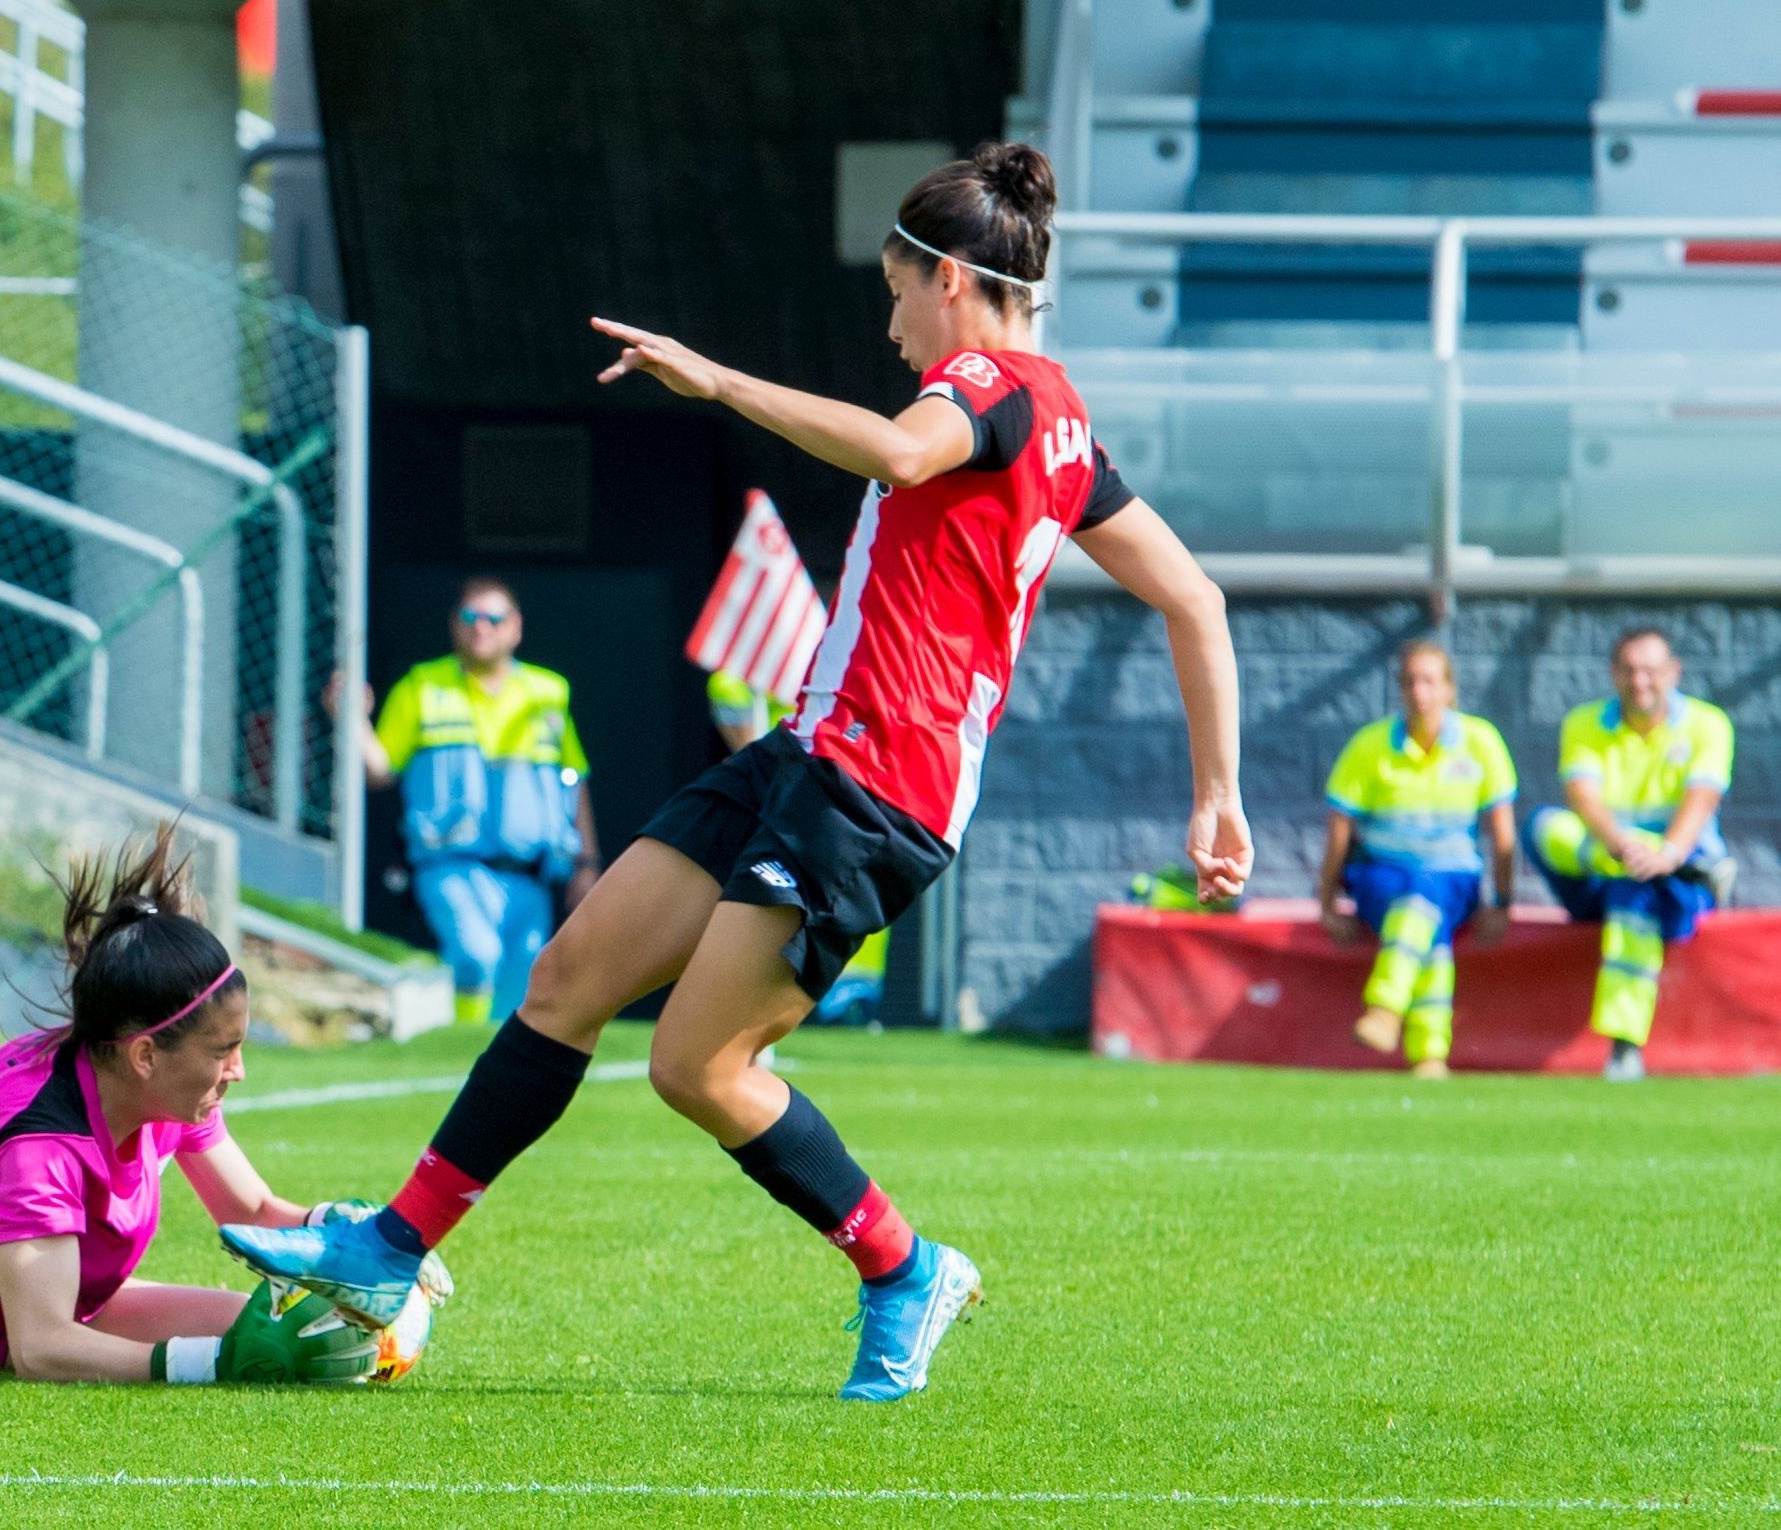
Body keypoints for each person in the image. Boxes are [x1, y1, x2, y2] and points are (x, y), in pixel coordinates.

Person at [223, 143, 1249, 1401]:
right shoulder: (1065, 424)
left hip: (874, 789)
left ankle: (902, 1267)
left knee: (696, 1067)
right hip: (808, 750)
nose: (889, 324)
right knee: (568, 980)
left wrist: (713, 381)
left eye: (893, 291)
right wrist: (1216, 793)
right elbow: (1194, 598)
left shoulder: (989, 380)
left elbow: (900, 453)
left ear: (952, 284)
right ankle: (388, 1251)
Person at [0, 827, 412, 1385]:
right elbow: (42, 1348)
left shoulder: (150, 1078)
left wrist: (375, 1238)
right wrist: (207, 1366)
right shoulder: (40, 1149)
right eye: (225, 1051)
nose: (239, 1072)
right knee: (246, 1348)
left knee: (303, 1338)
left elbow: (251, 1210)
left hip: (13, 1257)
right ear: (145, 1056)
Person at [342, 579, 600, 1023]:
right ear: (454, 625)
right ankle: (460, 1052)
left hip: (528, 874)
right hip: (451, 865)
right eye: (469, 617)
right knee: (475, 955)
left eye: (493, 618)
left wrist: (586, 864)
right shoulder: (422, 686)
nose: (481, 627)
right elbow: (379, 770)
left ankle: (488, 1077)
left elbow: (572, 781)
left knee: (518, 992)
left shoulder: (548, 692)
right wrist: (352, 718)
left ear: (515, 628)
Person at [1529, 629, 1736, 1082]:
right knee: (1544, 828)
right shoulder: (1583, 722)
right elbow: (1584, 800)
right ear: (1613, 674)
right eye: (1628, 670)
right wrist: (1625, 848)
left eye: (1651, 671)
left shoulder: (1709, 724)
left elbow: (1700, 801)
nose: (1639, 681)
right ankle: (1698, 873)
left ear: (1673, 673)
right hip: (1612, 861)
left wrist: (1669, 853)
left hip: (1666, 874)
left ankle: (1624, 1046)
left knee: (1635, 897)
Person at [1314, 641, 1517, 1079]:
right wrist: (1327, 902)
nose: (1419, 692)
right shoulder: (1369, 746)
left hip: (1454, 878)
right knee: (1429, 921)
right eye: (1409, 682)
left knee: (1424, 898)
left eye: (1428, 681)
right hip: (1380, 877)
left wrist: (1503, 902)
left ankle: (1386, 1008)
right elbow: (1338, 833)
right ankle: (1428, 1053)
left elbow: (1503, 833)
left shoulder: (1480, 742)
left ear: (1449, 689)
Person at [713, 669, 885, 1025]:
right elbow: (727, 696)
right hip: (783, 807)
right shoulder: (770, 671)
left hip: (842, 803)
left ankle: (852, 998)